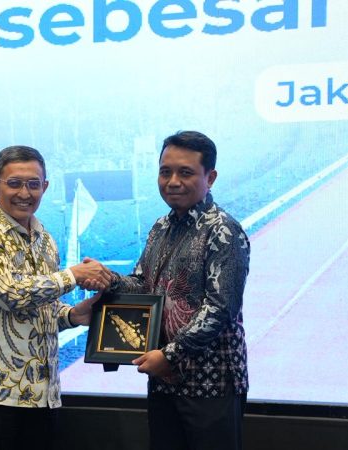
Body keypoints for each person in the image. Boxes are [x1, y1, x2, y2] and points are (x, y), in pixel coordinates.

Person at [98, 131, 250, 450]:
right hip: (164, 382)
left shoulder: (223, 230)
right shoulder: (160, 227)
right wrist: (106, 280)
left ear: (210, 177)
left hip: (212, 383)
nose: (172, 182)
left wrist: (170, 355)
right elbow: (143, 285)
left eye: (185, 172)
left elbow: (220, 308)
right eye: (165, 172)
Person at [0, 145, 111, 450]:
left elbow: (39, 307)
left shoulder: (45, 239)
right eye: (14, 183)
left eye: (33, 184)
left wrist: (73, 315)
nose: (24, 193)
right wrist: (73, 275)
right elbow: (12, 294)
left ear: (45, 187)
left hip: (42, 391)